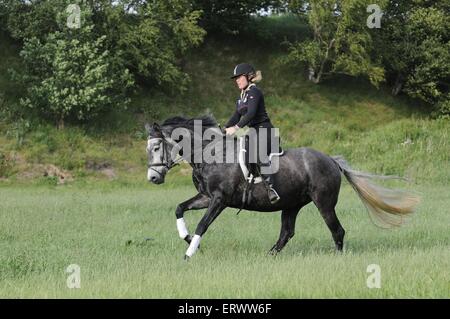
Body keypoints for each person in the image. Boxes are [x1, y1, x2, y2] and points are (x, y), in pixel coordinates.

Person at [224, 63, 281, 204]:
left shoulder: (254, 92)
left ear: (248, 77)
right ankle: (250, 184)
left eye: (239, 77)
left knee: (258, 152)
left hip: (265, 130)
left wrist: (236, 128)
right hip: (254, 131)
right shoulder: (242, 96)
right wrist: (225, 128)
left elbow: (251, 114)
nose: (237, 80)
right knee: (244, 152)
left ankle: (271, 189)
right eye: (235, 78)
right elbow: (236, 115)